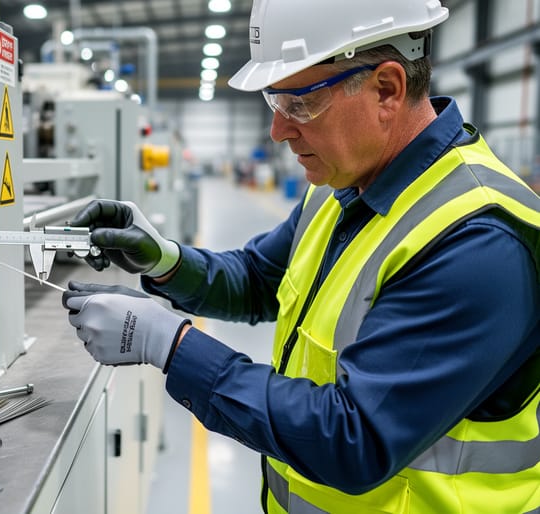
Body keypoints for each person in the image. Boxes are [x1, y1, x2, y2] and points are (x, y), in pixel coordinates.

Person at [61, 0, 540, 512]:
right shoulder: (343, 186)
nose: (279, 130)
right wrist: (162, 259)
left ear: (387, 89)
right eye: (276, 102)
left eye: (301, 104)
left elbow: (353, 439)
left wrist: (170, 344)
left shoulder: (476, 242)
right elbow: (255, 279)